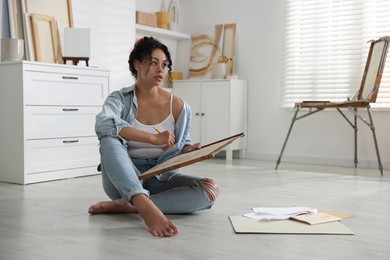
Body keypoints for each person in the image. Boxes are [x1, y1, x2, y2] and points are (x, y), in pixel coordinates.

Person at [88, 37, 220, 237]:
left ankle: (129, 206)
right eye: (154, 62)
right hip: (123, 179)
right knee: (108, 139)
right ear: (138, 64)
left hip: (161, 177)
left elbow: (183, 143)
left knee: (209, 190)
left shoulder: (179, 106)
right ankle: (144, 206)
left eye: (165, 64)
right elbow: (103, 123)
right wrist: (152, 138)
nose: (161, 69)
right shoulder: (120, 99)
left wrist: (190, 151)